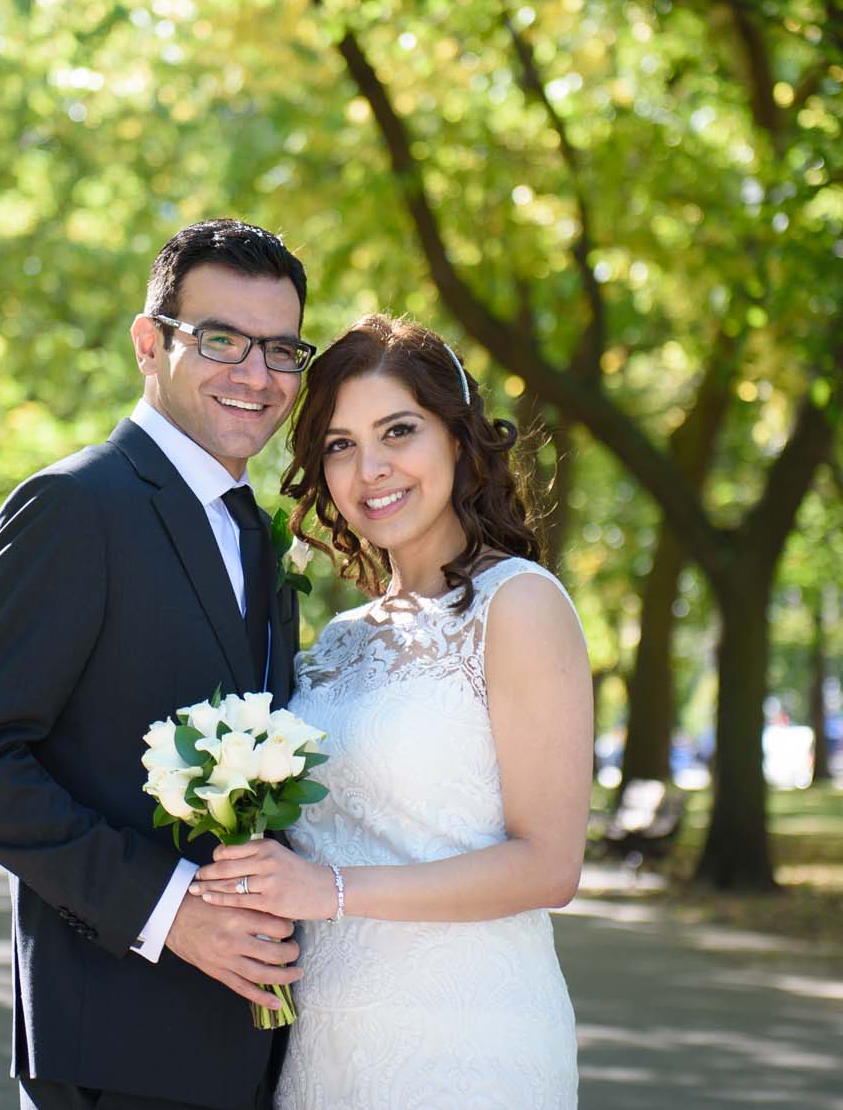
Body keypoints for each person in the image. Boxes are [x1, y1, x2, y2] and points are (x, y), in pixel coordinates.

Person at [0, 220, 317, 1110]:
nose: (256, 376)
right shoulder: (73, 506)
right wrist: (170, 908)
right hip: (112, 1045)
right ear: (151, 343)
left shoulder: (260, 534)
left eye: (282, 349)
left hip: (253, 1050)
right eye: (222, 339)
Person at [187, 314, 593, 1109]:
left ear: (457, 437)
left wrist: (327, 889)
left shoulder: (521, 604)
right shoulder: (337, 640)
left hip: (469, 1040)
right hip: (327, 1040)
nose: (369, 468)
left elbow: (550, 866)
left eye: (397, 430)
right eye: (339, 444)